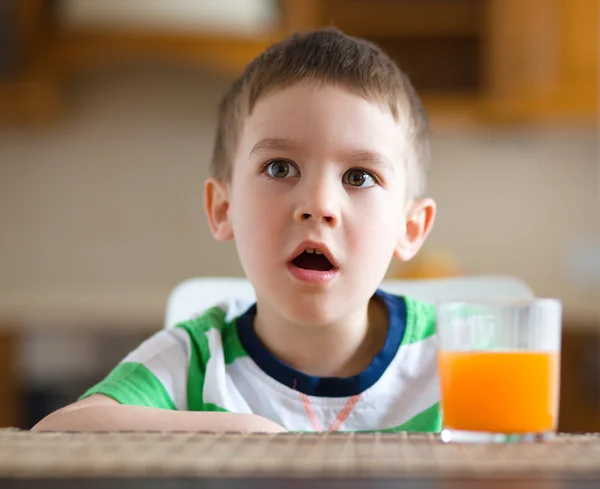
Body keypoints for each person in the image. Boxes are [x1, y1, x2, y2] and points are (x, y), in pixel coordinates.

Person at [33, 28, 438, 433]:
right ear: (223, 209)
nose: (318, 205)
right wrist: (239, 433)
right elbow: (53, 433)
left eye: (359, 176)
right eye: (280, 168)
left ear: (410, 228)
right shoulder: (195, 358)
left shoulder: (462, 355)